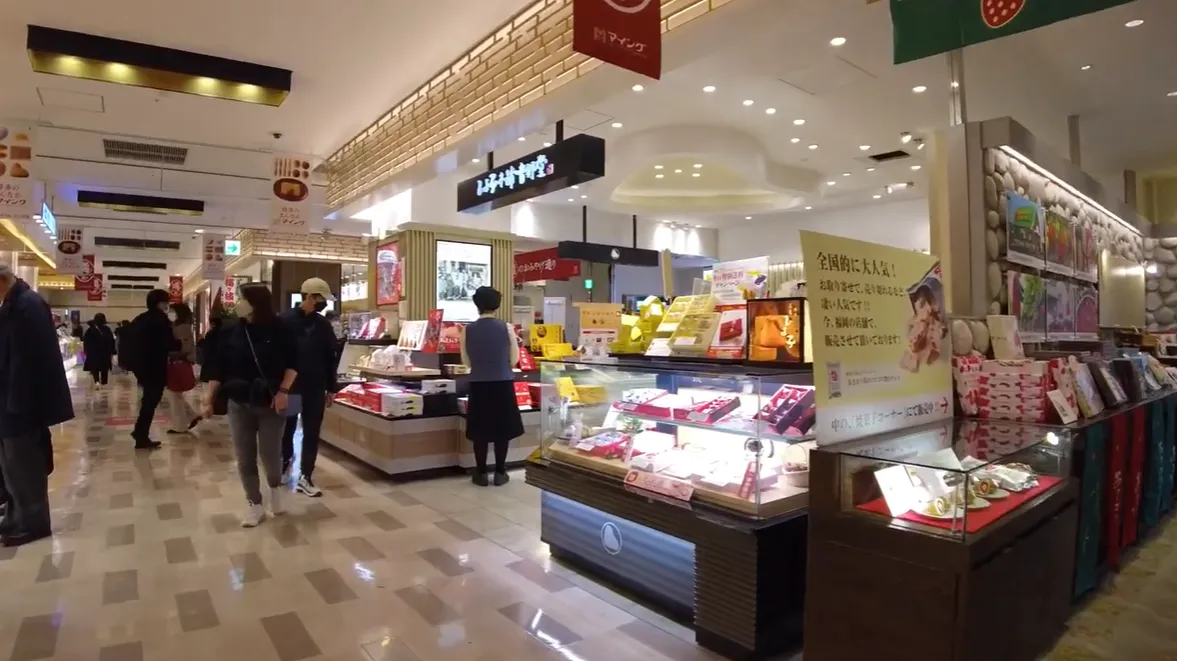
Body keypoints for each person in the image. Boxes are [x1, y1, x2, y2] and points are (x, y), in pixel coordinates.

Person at [201, 285, 298, 527]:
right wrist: (208, 398)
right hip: (239, 402)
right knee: (244, 457)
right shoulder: (232, 332)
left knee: (270, 455)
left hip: (272, 402)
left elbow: (294, 363)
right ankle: (254, 504)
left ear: (257, 303)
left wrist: (284, 391)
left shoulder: (282, 329)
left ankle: (274, 488)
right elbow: (218, 369)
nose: (238, 303)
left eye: (242, 298)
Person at [0, 265, 73, 546]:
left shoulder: (27, 305)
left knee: (24, 465)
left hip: (20, 403)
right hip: (10, 400)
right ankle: (16, 518)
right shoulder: (15, 303)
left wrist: (18, 402)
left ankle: (34, 522)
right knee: (11, 467)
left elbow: (26, 360)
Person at [280, 278, 340, 497]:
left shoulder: (322, 324)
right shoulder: (284, 321)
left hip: (316, 388)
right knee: (287, 428)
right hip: (291, 388)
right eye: (322, 299)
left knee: (312, 432)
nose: (324, 304)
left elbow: (331, 357)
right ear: (310, 297)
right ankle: (285, 464)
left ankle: (306, 475)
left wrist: (331, 388)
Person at [460, 286, 524, 486]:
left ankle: (480, 474)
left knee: (481, 430)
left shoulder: (467, 330)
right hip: (502, 384)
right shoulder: (506, 328)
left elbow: (466, 363)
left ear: (476, 304)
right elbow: (513, 359)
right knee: (501, 429)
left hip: (479, 385)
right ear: (497, 304)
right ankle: (500, 472)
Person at [127, 289, 178, 450]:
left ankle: (140, 432)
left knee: (148, 401)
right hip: (155, 366)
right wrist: (180, 344)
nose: (167, 305)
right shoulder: (160, 319)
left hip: (142, 366)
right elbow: (169, 343)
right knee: (150, 402)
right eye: (166, 301)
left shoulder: (140, 319)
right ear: (160, 303)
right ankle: (141, 434)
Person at [165, 303, 202, 434]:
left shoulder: (182, 328)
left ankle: (180, 425)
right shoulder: (179, 326)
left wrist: (170, 352)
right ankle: (191, 416)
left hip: (178, 363)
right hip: (177, 363)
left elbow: (185, 347)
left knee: (174, 394)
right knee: (175, 395)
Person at [82, 313, 115, 388]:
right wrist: (112, 351)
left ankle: (96, 381)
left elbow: (86, 341)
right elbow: (111, 340)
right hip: (105, 352)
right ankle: (104, 383)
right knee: (104, 369)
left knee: (95, 368)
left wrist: (86, 351)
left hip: (94, 352)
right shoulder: (107, 329)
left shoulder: (90, 330)